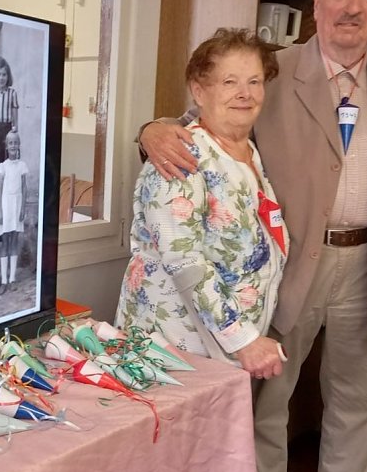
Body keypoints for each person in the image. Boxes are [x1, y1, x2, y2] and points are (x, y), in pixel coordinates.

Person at [140, 0, 367, 472]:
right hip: (285, 271)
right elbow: (201, 124)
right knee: (265, 401)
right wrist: (149, 129)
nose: (353, 8)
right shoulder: (270, 72)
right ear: (317, 2)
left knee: (359, 401)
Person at [118, 27, 286, 374]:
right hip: (174, 354)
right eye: (229, 82)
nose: (245, 93)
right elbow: (184, 260)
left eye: (254, 82)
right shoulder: (181, 155)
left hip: (222, 350)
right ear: (199, 90)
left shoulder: (248, 151)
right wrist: (244, 340)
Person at [0, 130, 29, 293]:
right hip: (6, 204)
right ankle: (3, 280)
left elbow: (24, 187)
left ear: (19, 145)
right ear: (6, 146)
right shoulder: (2, 167)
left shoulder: (22, 166)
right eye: (10, 143)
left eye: (16, 142)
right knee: (5, 242)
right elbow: (0, 189)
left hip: (17, 204)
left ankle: (12, 278)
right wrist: (0, 212)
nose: (13, 145)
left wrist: (23, 208)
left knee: (14, 241)